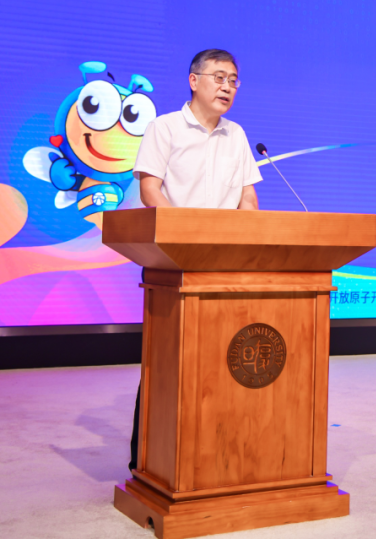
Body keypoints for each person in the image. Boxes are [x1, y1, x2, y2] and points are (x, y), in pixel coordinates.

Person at [127, 48, 262, 471]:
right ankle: (149, 459)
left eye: (233, 80)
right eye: (219, 77)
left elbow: (248, 198)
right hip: (175, 262)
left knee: (223, 361)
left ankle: (216, 454)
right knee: (168, 361)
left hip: (225, 264)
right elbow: (150, 189)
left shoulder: (236, 135)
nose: (227, 87)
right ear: (194, 80)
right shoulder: (164, 127)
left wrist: (253, 243)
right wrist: (183, 237)